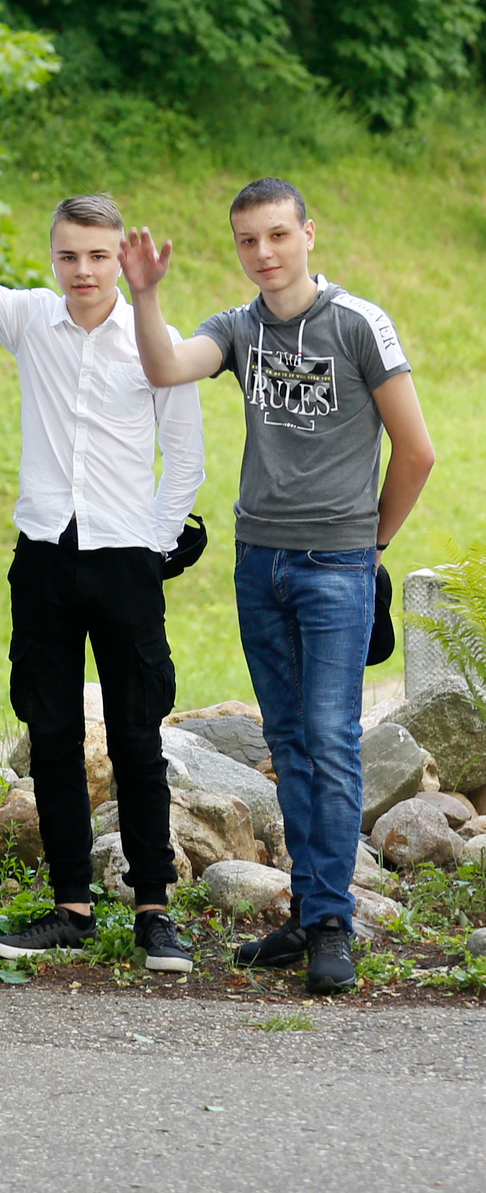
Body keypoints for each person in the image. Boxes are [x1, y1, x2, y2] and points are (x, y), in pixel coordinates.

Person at [124, 181, 434, 996]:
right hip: (258, 563)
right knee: (290, 742)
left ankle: (332, 923)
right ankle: (307, 913)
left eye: (276, 236)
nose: (263, 254)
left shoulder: (358, 324)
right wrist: (146, 293)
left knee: (330, 741)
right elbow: (165, 364)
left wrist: (372, 545)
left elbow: (417, 451)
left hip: (336, 565)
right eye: (247, 241)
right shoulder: (238, 328)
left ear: (307, 234)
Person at [0, 148, 207, 973]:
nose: (82, 270)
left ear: (121, 257)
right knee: (50, 733)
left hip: (126, 562)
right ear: (53, 259)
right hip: (44, 557)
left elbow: (183, 461)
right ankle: (72, 906)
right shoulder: (29, 320)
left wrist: (151, 551)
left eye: (97, 255)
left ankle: (154, 909)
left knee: (135, 736)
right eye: (68, 255)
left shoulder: (157, 343)